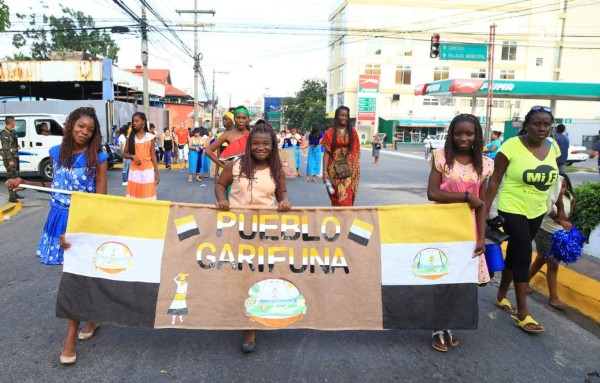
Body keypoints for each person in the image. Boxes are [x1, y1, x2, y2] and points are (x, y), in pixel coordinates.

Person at [5, 106, 108, 365]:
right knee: (79, 276)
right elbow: (56, 187)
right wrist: (24, 183)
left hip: (81, 222)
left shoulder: (98, 158)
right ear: (70, 125)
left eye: (90, 129)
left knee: (73, 279)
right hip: (56, 220)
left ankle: (70, 338)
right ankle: (93, 317)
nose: (84, 132)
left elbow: (100, 201)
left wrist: (77, 230)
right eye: (80, 126)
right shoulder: (55, 153)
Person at [214, 120, 291, 353]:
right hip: (236, 231)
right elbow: (220, 184)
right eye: (256, 143)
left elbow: (282, 192)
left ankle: (249, 327)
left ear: (272, 145)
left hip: (264, 233)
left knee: (257, 278)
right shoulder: (235, 165)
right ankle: (236, 313)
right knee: (238, 277)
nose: (261, 147)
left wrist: (285, 201)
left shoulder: (276, 169)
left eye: (266, 144)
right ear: (249, 145)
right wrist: (222, 199)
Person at [485, 105, 561, 333]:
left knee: (516, 254)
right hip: (512, 208)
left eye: (546, 124)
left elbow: (556, 180)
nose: (542, 128)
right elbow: (495, 181)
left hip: (537, 209)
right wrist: (484, 215)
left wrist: (559, 210)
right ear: (526, 125)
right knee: (524, 254)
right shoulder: (510, 147)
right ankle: (523, 313)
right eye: (537, 124)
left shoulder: (553, 146)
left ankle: (501, 296)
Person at [426, 113, 493, 352]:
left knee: (459, 281)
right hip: (441, 227)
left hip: (468, 231)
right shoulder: (441, 158)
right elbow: (433, 193)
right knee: (440, 277)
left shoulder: (484, 164)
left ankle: (448, 325)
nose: (463, 138)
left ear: (477, 136)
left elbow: (482, 204)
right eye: (458, 133)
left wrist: (482, 237)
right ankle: (437, 327)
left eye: (469, 133)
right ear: (451, 135)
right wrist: (466, 196)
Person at [528, 173, 574, 310]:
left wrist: (566, 224)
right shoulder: (548, 197)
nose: (561, 190)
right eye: (558, 187)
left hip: (559, 235)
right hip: (544, 233)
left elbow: (568, 214)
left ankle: (523, 281)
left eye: (564, 187)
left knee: (541, 260)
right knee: (553, 262)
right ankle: (553, 298)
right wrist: (561, 220)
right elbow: (549, 211)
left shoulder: (570, 197)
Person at [321, 105, 361, 206]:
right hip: (333, 169)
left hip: (348, 169)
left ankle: (346, 220)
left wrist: (353, 167)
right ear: (337, 116)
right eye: (341, 115)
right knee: (335, 197)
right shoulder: (330, 132)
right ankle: (337, 219)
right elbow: (326, 153)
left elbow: (356, 150)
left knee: (346, 198)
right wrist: (324, 172)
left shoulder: (353, 132)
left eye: (346, 116)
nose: (344, 118)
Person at [123, 112, 159, 199]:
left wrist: (157, 172)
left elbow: (153, 156)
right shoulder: (130, 137)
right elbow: (124, 154)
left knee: (147, 196)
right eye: (133, 121)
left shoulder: (150, 137)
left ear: (143, 122)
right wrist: (133, 156)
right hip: (134, 171)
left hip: (148, 171)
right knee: (135, 196)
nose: (134, 123)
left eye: (137, 121)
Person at [1, 116, 23, 203]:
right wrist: (10, 160)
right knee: (11, 177)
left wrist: (16, 147)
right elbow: (5, 148)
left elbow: (12, 144)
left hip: (15, 156)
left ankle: (14, 193)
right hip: (10, 158)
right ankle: (11, 196)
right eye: (14, 121)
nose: (15, 123)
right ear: (11, 122)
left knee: (15, 176)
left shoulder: (12, 132)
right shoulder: (4, 134)